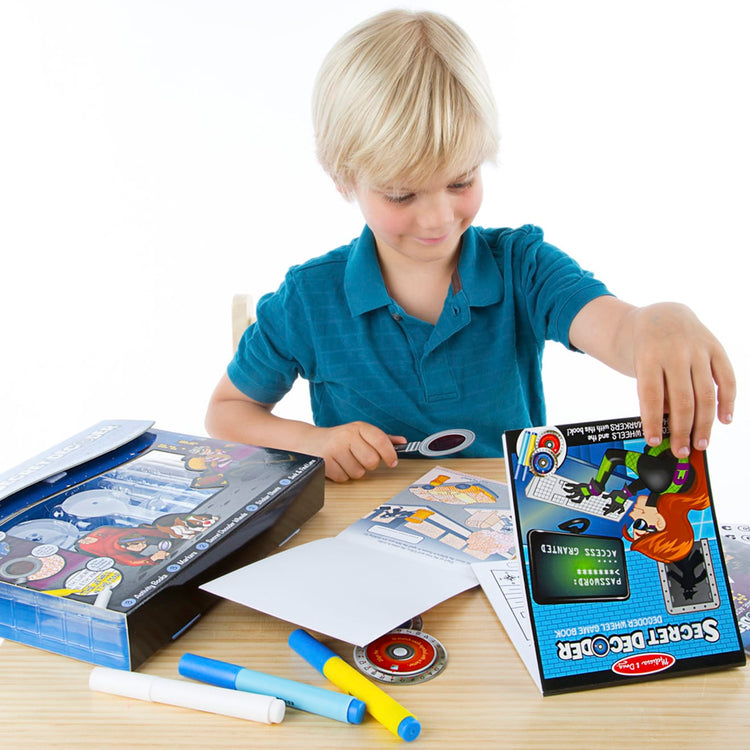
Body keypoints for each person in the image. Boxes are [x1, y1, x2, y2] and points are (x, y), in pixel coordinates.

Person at [205, 9, 735, 482]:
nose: (438, 218)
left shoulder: (521, 267)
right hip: (359, 546)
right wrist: (311, 442)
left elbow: (617, 329)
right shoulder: (309, 298)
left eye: (460, 181)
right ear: (344, 178)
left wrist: (657, 322)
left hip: (502, 539)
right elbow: (226, 412)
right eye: (401, 193)